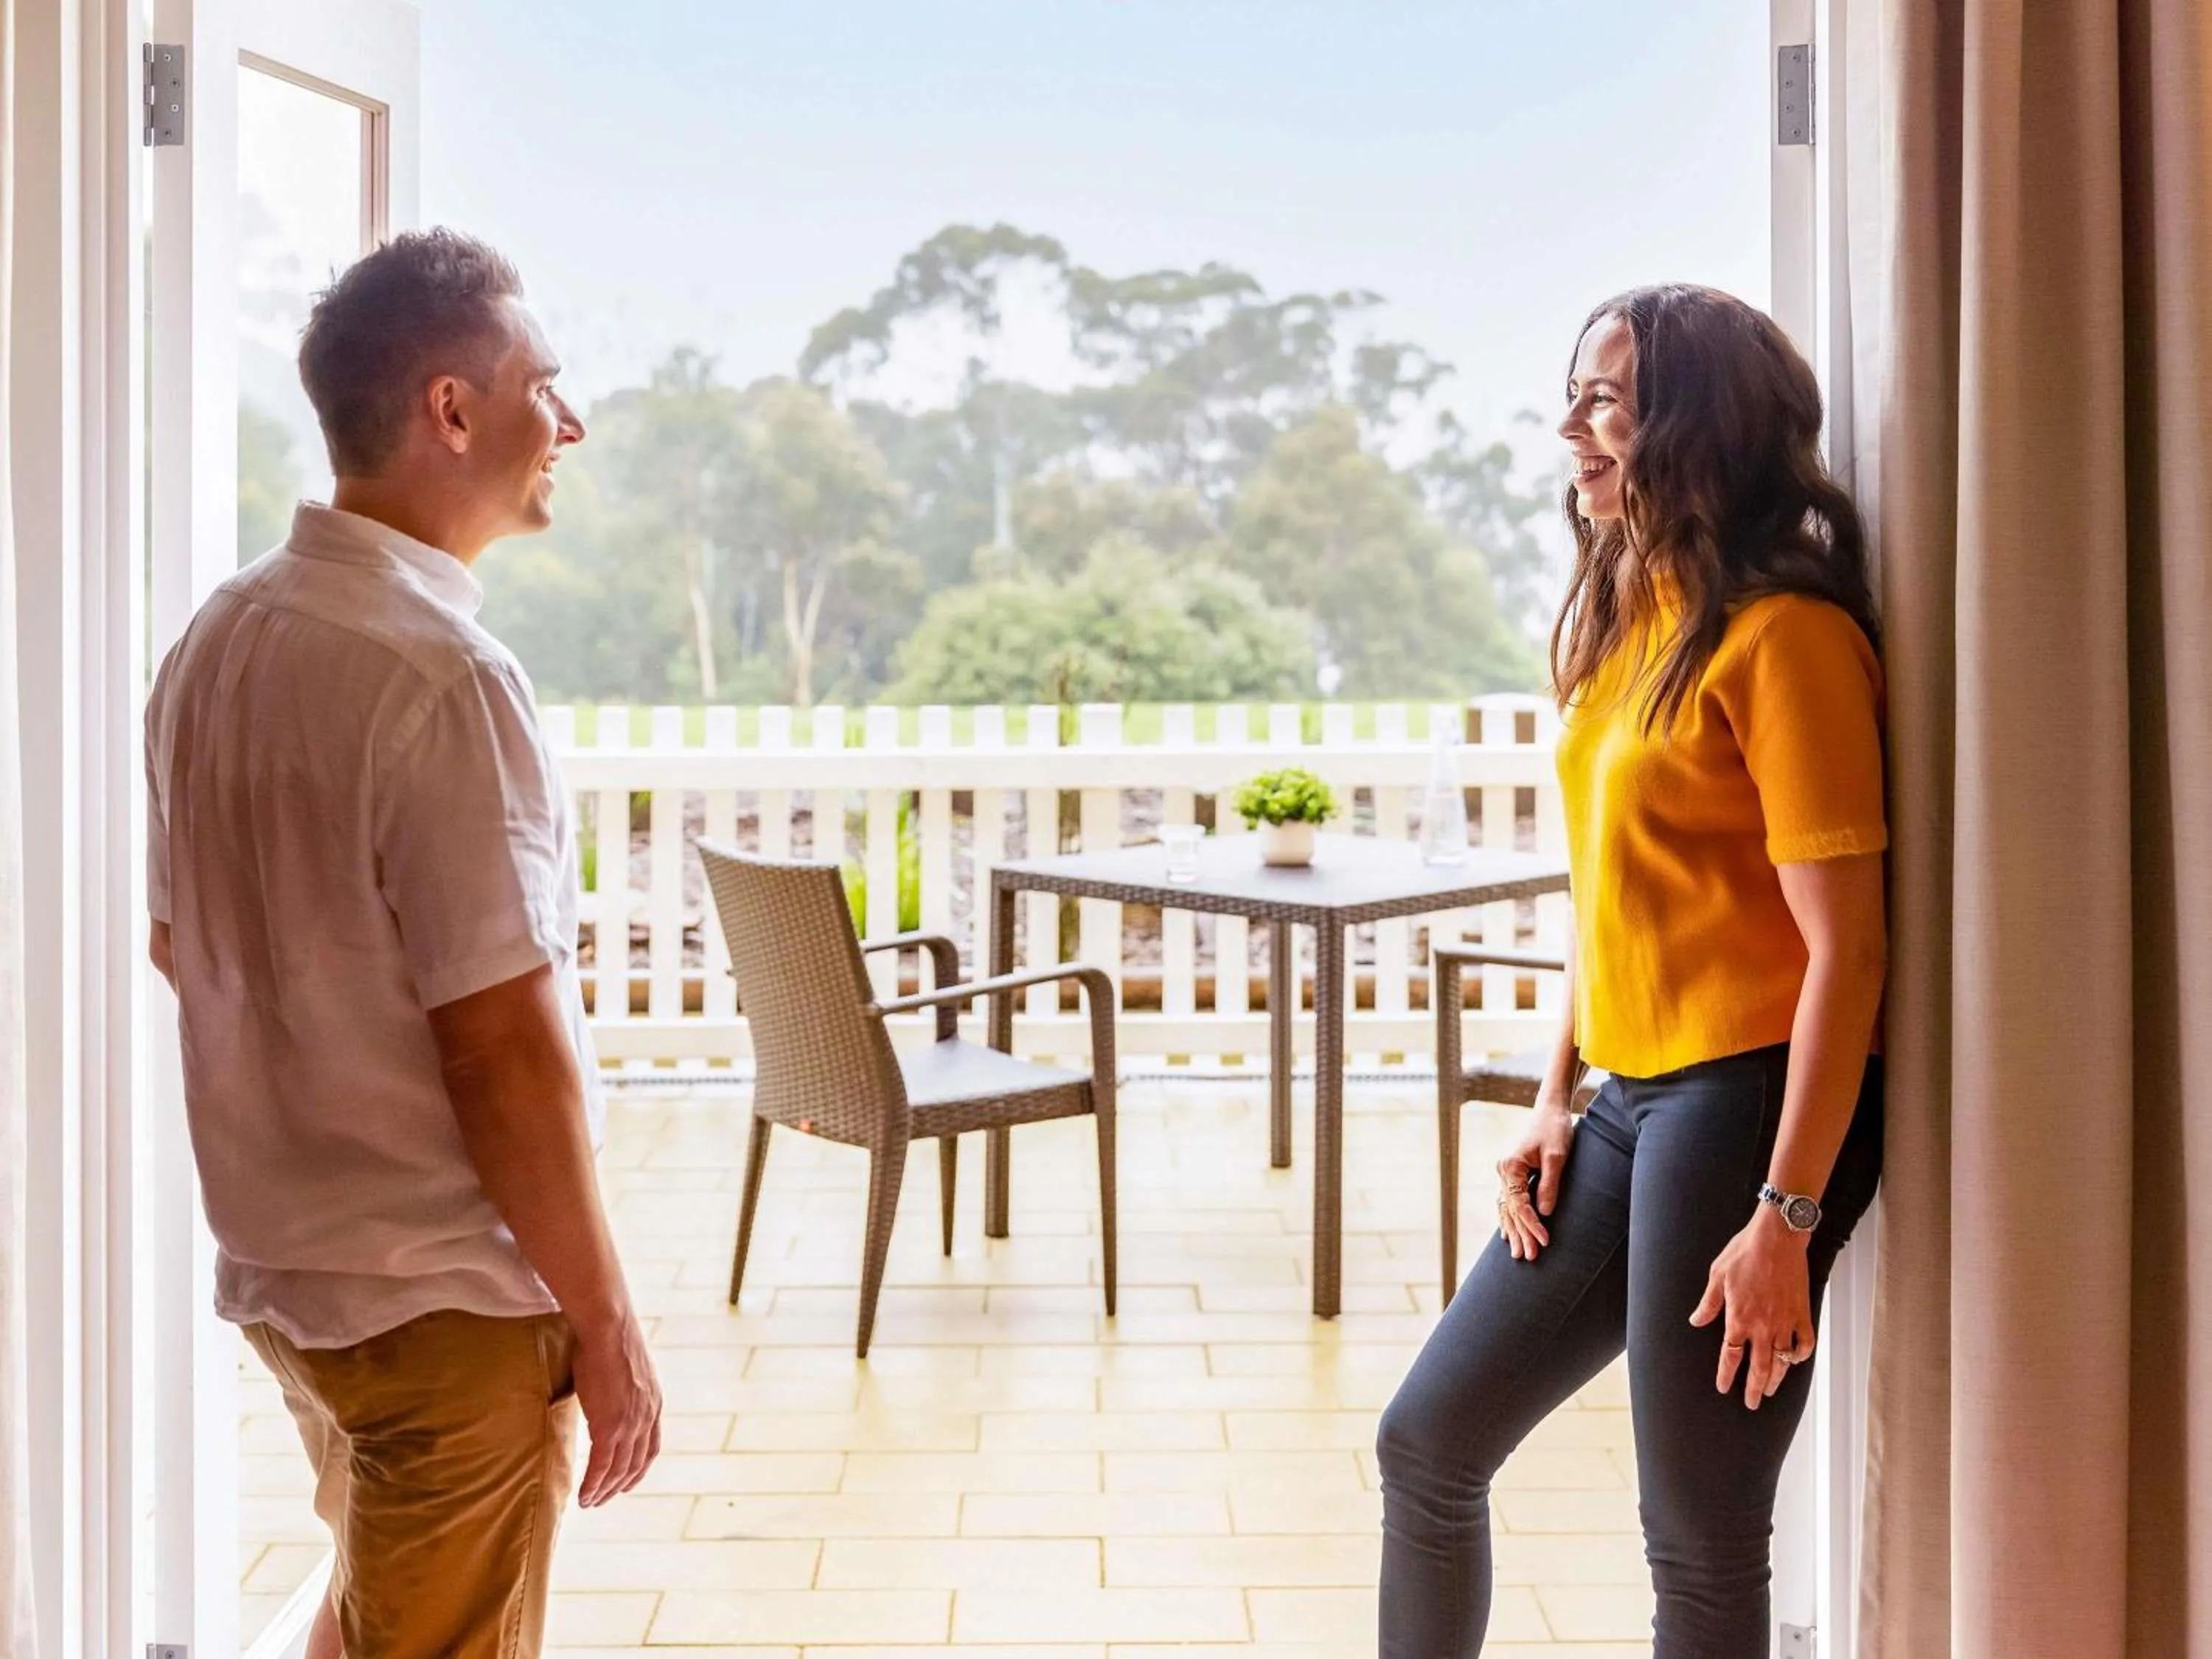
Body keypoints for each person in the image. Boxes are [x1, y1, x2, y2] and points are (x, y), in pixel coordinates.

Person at [145, 229, 661, 1659]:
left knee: (373, 1623)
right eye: (542, 386)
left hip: (295, 1286)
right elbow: (504, 1049)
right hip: (442, 1316)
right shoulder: (445, 679)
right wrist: (604, 1323)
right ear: (450, 408)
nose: (569, 423)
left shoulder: (220, 641)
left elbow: (179, 948)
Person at [1376, 284, 1888, 1658]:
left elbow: (1849, 944)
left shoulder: (1791, 641)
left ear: (1695, 423)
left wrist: (1786, 1214)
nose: (1572, 429)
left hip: (1749, 1104)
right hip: (1630, 1094)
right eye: (1578, 395)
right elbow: (1614, 900)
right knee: (1427, 1442)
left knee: (1699, 1539)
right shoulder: (1626, 619)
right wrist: (1559, 1092)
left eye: (1605, 400)